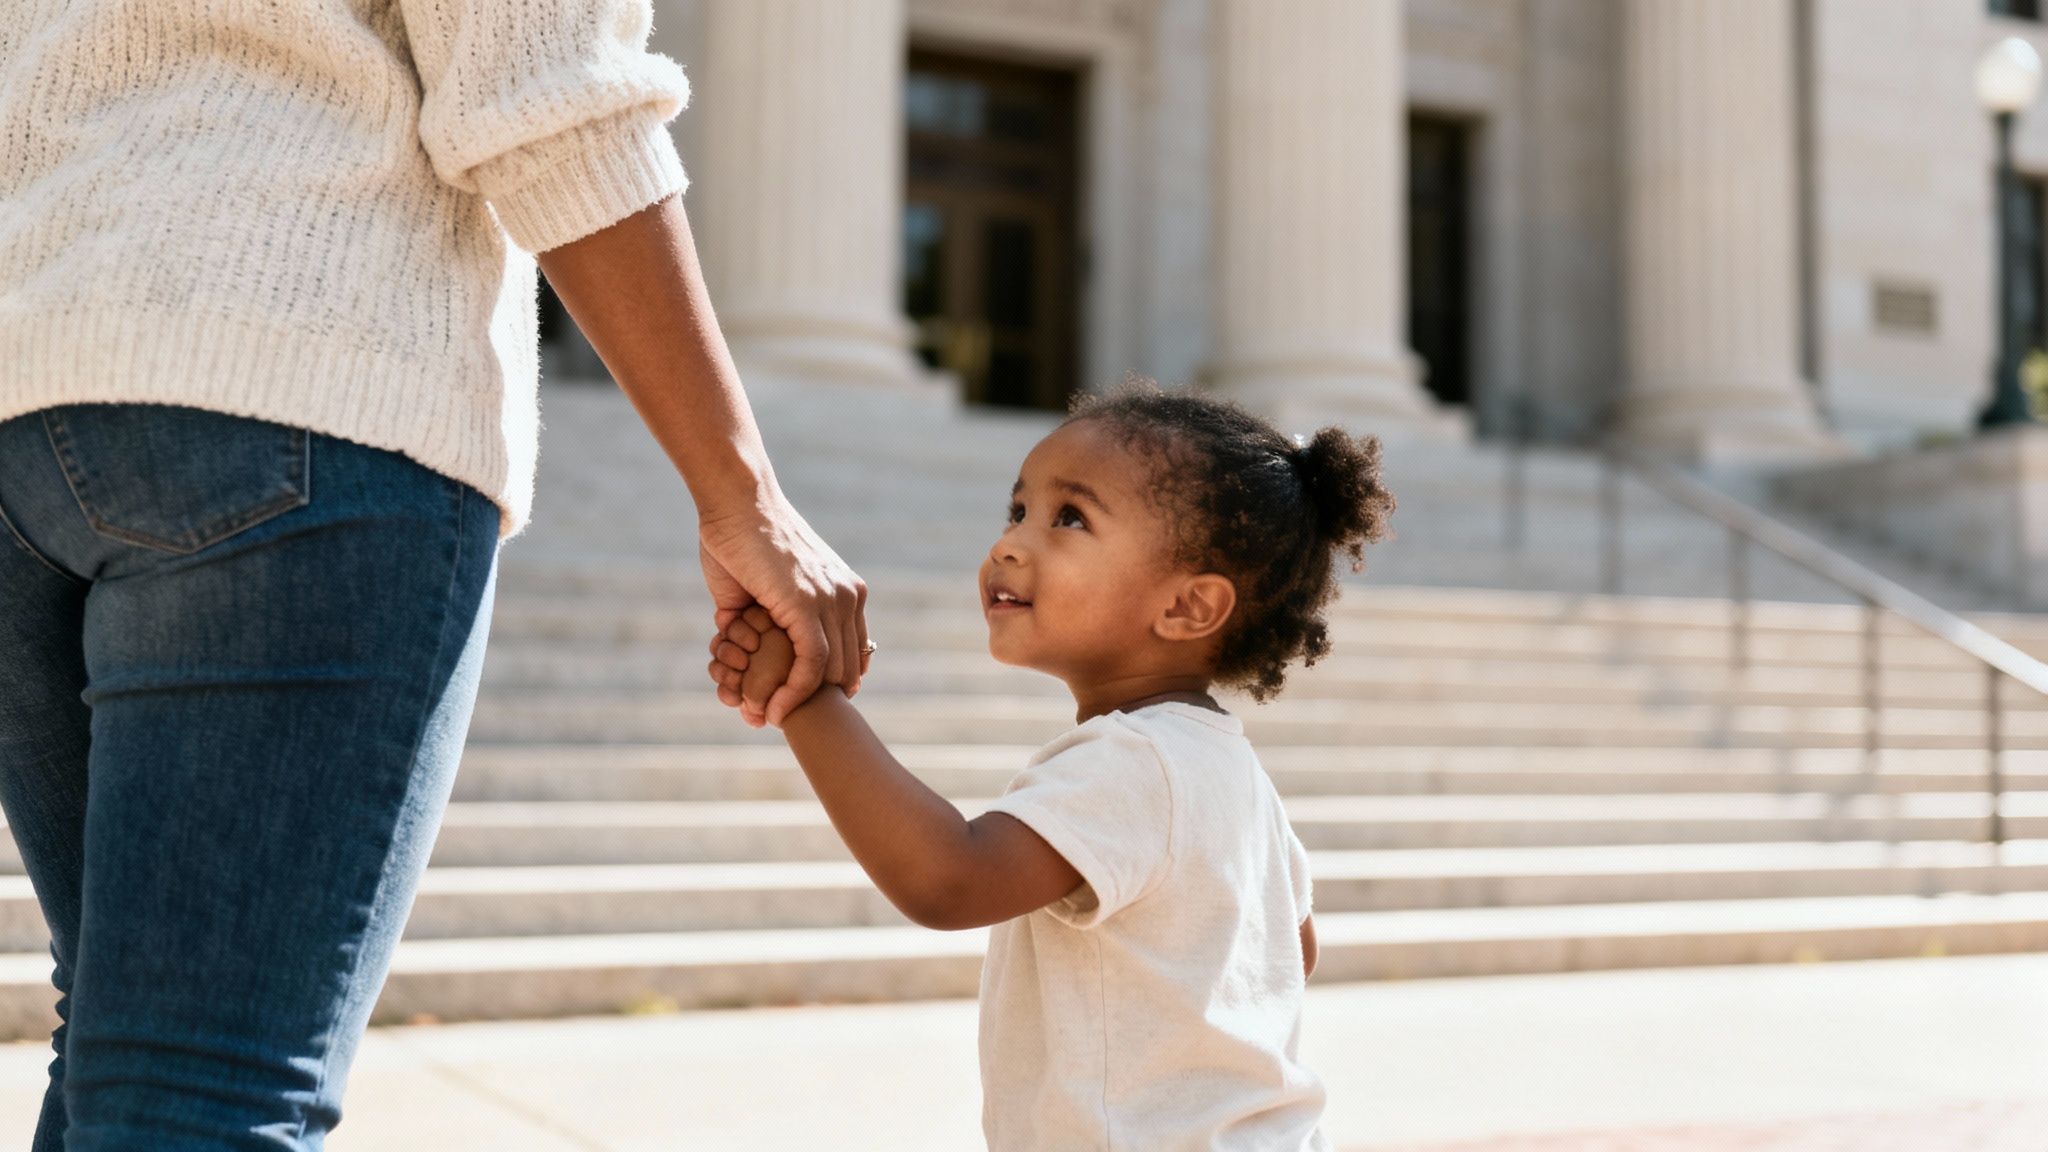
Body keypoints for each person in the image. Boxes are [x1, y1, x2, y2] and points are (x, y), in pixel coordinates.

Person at [0, 2, 862, 1147]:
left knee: (126, 1038)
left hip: (26, 397)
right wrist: (740, 493)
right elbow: (551, 100)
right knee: (202, 1084)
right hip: (301, 391)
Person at [709, 384, 1396, 1150]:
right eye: (1017, 511)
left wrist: (806, 698)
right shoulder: (1222, 764)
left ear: (1189, 608)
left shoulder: (1135, 763)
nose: (1011, 543)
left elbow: (949, 879)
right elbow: (1292, 951)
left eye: (1070, 518)